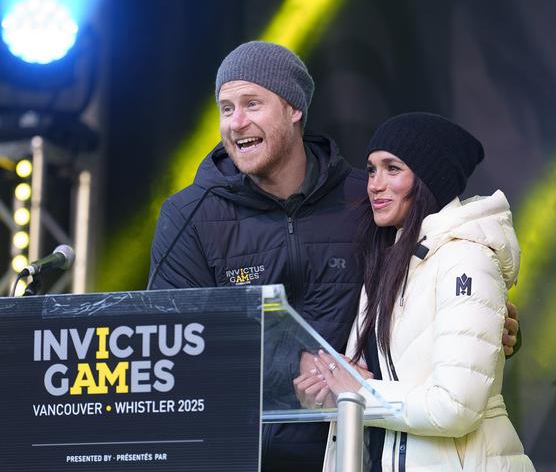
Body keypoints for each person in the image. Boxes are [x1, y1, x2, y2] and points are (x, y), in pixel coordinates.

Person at [148, 42, 521, 471]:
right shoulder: (189, 215)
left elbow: (435, 282)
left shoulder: (366, 200)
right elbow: (170, 344)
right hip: (235, 455)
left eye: (253, 103)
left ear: (294, 109)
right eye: (226, 108)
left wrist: (490, 324)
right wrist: (296, 364)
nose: (237, 122)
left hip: (349, 451)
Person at [305, 113, 535, 470]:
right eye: (371, 169)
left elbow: (456, 407)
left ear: (430, 179)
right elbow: (375, 378)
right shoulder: (389, 261)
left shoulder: (466, 258)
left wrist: (360, 392)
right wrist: (322, 387)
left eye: (392, 169)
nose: (374, 185)